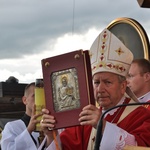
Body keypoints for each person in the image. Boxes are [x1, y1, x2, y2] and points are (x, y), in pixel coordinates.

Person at [40, 28, 150, 150]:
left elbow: (142, 147)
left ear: (123, 86)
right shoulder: (85, 118)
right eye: (96, 82)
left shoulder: (142, 115)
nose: (100, 89)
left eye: (107, 82)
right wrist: (51, 135)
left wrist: (103, 127)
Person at [0, 82, 44, 150]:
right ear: (25, 100)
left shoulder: (54, 126)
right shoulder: (12, 127)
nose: (40, 100)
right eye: (35, 96)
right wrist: (28, 130)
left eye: (44, 96)